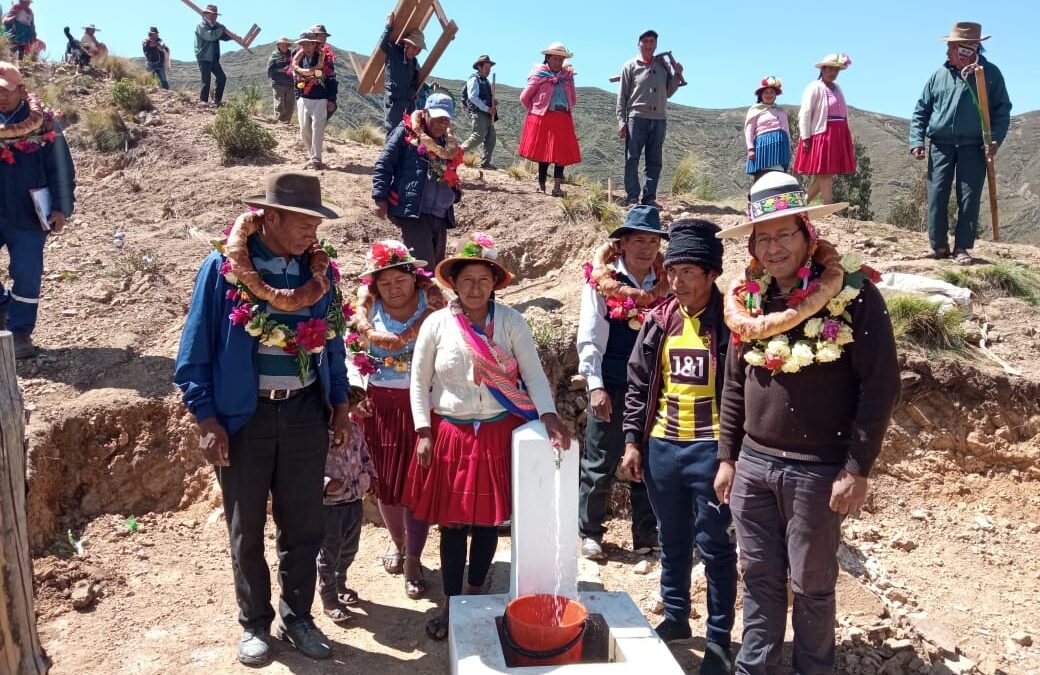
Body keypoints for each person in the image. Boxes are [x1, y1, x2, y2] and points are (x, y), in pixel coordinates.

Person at [714, 171, 900, 675]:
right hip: (753, 466)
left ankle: (813, 669)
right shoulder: (746, 303)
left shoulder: (854, 297)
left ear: (808, 234)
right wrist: (727, 457)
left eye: (784, 234)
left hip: (817, 471)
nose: (774, 248)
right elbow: (733, 384)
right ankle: (755, 668)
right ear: (752, 246)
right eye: (763, 238)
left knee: (811, 585)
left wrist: (857, 467)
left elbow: (880, 386)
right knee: (758, 577)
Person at [174, 172, 351, 666]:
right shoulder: (223, 269)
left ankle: (298, 617)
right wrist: (206, 419)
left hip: (304, 413)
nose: (311, 233)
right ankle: (254, 623)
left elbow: (332, 341)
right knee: (246, 526)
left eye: (317, 223)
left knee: (303, 523)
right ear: (269, 218)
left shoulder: (322, 273)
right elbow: (195, 349)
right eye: (302, 222)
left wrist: (339, 404)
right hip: (243, 418)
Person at [402, 232, 573, 641]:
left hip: (497, 430)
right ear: (454, 284)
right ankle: (451, 603)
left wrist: (548, 415)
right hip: (451, 434)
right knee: (452, 523)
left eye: (483, 279)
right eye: (467, 280)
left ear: (494, 283)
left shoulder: (511, 322)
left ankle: (475, 595)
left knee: (485, 524)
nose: (475, 287)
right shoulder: (438, 325)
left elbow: (531, 373)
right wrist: (423, 430)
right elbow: (418, 381)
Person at [620, 219, 736, 675]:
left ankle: (720, 637)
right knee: (672, 537)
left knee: (715, 545)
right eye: (674, 270)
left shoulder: (729, 323)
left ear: (711, 275)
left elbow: (740, 393)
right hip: (664, 447)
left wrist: (729, 455)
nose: (679, 280)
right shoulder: (659, 320)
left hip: (711, 451)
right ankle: (675, 616)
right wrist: (633, 442)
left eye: (690, 271)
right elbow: (638, 384)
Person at [347, 239, 447, 599]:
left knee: (416, 484)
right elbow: (352, 357)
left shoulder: (436, 310)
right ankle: (397, 542)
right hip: (379, 407)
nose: (393, 288)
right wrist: (355, 397)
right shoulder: (364, 316)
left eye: (399, 280)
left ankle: (414, 559)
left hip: (424, 405)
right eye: (384, 283)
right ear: (374, 286)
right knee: (387, 484)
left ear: (412, 277)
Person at [576, 205, 668, 560]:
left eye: (653, 241)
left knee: (648, 460)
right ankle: (590, 532)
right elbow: (590, 335)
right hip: (613, 383)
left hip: (654, 385)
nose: (646, 248)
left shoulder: (666, 284)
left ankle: (646, 533)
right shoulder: (603, 282)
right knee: (600, 458)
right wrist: (595, 384)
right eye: (638, 240)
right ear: (623, 244)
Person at [909, 22, 1012, 264]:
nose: (946, 53)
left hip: (974, 145)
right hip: (941, 144)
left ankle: (962, 248)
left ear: (966, 49)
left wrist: (995, 139)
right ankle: (938, 246)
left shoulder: (990, 75)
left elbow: (1002, 110)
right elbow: (921, 110)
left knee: (969, 196)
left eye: (951, 48)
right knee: (937, 194)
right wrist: (916, 140)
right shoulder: (939, 76)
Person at [0, 61, 76, 359]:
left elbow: (60, 168)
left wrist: (61, 207)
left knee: (28, 272)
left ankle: (19, 332)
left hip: (28, 214)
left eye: (6, 91)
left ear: (21, 89)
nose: (2, 96)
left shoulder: (43, 124)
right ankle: (3, 305)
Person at [372, 92, 463, 267]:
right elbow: (384, 164)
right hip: (413, 212)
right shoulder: (406, 132)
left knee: (437, 267)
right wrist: (379, 198)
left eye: (446, 119)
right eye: (437, 118)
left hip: (440, 216)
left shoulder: (448, 143)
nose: (442, 124)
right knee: (424, 267)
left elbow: (449, 173)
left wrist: (454, 192)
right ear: (425, 113)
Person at [318, 384, 378, 625]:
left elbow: (365, 456)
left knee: (350, 547)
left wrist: (371, 477)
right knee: (329, 551)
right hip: (330, 504)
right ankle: (329, 597)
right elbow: (306, 469)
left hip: (354, 499)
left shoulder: (355, 431)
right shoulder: (318, 436)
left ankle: (340, 582)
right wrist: (325, 484)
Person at [616, 30, 683, 208]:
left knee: (654, 160)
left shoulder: (662, 66)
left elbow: (668, 92)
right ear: (638, 44)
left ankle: (649, 197)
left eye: (651, 41)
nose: (648, 45)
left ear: (656, 45)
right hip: (636, 118)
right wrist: (621, 120)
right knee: (632, 158)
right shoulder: (630, 65)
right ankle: (632, 197)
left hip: (659, 118)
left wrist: (676, 75)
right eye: (644, 41)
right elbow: (622, 96)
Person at [518, 42, 581, 196]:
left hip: (563, 117)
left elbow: (573, 98)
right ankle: (541, 185)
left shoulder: (567, 78)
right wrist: (537, 111)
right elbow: (525, 98)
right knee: (544, 154)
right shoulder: (539, 75)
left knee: (561, 155)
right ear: (547, 58)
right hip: (545, 118)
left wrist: (567, 107)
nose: (558, 62)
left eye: (560, 59)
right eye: (555, 59)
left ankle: (557, 188)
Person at [792, 53, 855, 205]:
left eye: (836, 70)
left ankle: (804, 202)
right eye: (831, 69)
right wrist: (806, 136)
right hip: (822, 133)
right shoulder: (814, 87)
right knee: (825, 172)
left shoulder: (837, 88)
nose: (833, 73)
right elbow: (805, 113)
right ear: (823, 69)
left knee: (827, 172)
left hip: (837, 132)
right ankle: (828, 205)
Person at [380, 10, 425, 132]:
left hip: (407, 101)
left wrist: (413, 93)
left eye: (419, 50)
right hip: (393, 99)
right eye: (414, 48)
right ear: (407, 44)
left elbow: (414, 80)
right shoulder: (394, 51)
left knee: (408, 131)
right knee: (392, 129)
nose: (415, 52)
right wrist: (388, 26)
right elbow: (382, 45)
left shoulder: (414, 62)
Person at [292, 32, 331, 170]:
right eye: (303, 44)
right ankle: (311, 155)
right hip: (303, 98)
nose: (305, 46)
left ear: (314, 44)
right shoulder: (297, 58)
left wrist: (332, 99)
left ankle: (316, 158)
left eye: (308, 43)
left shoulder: (325, 58)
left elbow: (331, 78)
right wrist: (298, 96)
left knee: (317, 128)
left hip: (320, 98)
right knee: (304, 129)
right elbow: (295, 77)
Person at [744, 76, 791, 177]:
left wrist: (788, 149)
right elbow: (749, 131)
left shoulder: (781, 111)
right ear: (761, 95)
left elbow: (786, 132)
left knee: (778, 174)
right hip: (762, 146)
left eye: (772, 92)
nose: (769, 95)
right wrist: (751, 149)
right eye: (766, 92)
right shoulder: (755, 110)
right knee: (762, 175)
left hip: (779, 147)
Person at [460, 55, 498, 170]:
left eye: (489, 67)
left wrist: (493, 102)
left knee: (491, 137)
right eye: (486, 67)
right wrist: (487, 108)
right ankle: (456, 152)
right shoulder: (474, 79)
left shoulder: (485, 81)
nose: (488, 69)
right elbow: (473, 97)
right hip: (478, 112)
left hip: (487, 113)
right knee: (478, 136)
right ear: (479, 67)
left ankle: (485, 163)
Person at [193, 3, 232, 107]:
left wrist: (231, 35)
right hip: (204, 56)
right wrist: (220, 29)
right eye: (212, 14)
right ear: (206, 14)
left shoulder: (214, 26)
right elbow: (210, 36)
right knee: (206, 79)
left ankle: (216, 100)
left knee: (221, 77)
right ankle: (203, 101)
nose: (214, 16)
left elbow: (222, 36)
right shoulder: (201, 25)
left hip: (213, 57)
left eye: (215, 15)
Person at [308, 24, 339, 120]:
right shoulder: (302, 53)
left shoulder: (328, 56)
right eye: (320, 36)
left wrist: (332, 99)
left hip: (322, 94)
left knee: (319, 122)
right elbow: (296, 73)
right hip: (306, 94)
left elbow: (331, 78)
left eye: (324, 36)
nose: (323, 39)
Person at [267, 36, 294, 123]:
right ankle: (279, 123)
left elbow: (296, 66)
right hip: (278, 84)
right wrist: (281, 70)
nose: (284, 47)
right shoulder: (274, 55)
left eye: (286, 45)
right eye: (282, 45)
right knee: (279, 104)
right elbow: (270, 68)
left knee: (290, 105)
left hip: (291, 84)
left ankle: (286, 123)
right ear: (279, 45)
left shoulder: (292, 55)